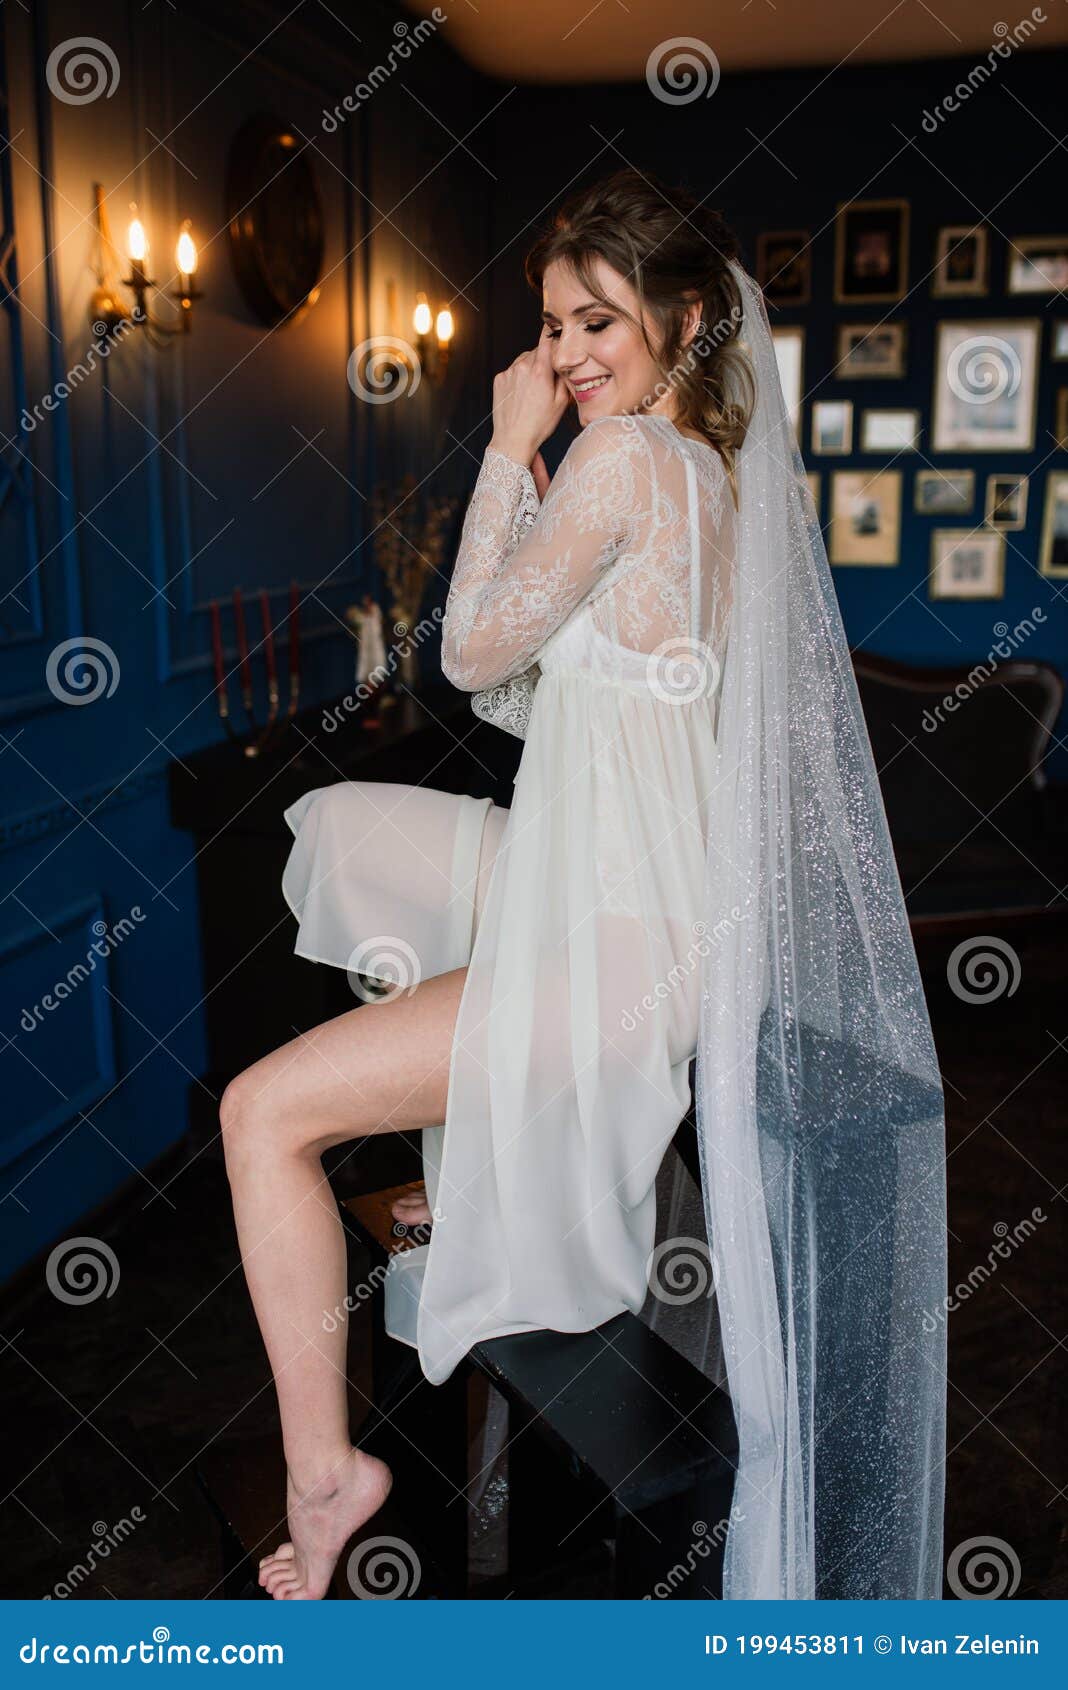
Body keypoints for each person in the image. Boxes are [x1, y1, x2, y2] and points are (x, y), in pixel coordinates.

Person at [225, 168, 947, 1603]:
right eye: (551, 324)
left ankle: (329, 1474)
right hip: (656, 942)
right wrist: (549, 506)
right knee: (378, 842)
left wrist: (506, 452)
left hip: (612, 966)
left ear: (683, 320)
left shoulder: (620, 462)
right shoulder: (712, 493)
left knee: (262, 1112)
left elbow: (469, 659)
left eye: (596, 320)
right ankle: (460, 1174)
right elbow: (550, 713)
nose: (564, 355)